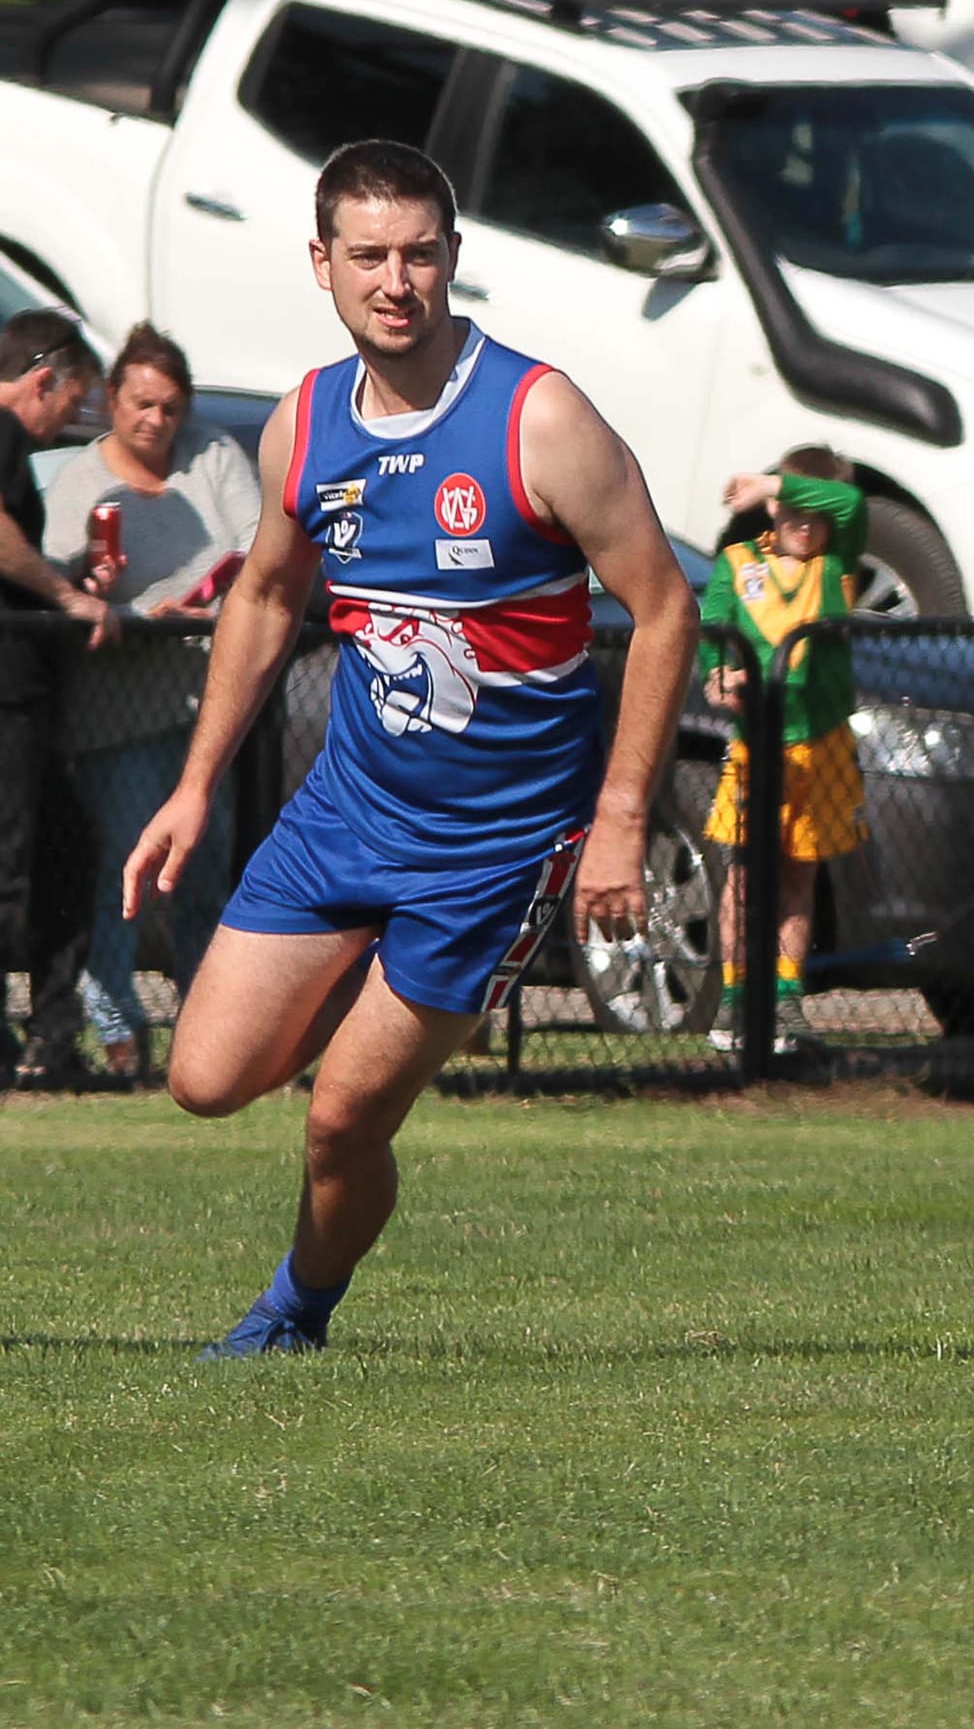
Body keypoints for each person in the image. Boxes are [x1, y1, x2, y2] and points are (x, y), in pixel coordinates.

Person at [124, 138, 700, 1355]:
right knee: (206, 1077)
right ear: (321, 265)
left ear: (453, 259)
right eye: (370, 255)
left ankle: (296, 1307)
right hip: (345, 813)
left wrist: (622, 815)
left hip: (493, 846)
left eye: (421, 253)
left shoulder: (537, 417)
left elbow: (663, 603)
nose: (398, 280)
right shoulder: (303, 423)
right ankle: (374, 1017)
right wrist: (192, 786)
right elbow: (269, 597)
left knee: (340, 1121)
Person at [43, 323, 261, 1080]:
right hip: (121, 715)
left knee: (205, 876)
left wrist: (208, 602)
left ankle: (211, 1029)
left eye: (169, 408)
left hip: (205, 710)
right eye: (140, 404)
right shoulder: (82, 481)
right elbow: (64, 580)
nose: (155, 422)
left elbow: (261, 547)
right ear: (112, 399)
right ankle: (120, 1034)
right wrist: (125, 601)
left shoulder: (212, 455)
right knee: (123, 879)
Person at [698, 445, 867, 1054]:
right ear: (771, 509)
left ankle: (788, 1001)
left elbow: (850, 503)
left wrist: (776, 482)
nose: (803, 522)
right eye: (789, 508)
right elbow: (713, 623)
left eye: (811, 510)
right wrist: (717, 673)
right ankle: (736, 997)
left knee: (800, 875)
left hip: (819, 747)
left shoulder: (835, 566)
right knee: (745, 872)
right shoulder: (738, 560)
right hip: (757, 746)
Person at [0, 309, 113, 1084]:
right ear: (42, 379)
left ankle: (51, 1032)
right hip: (9, 698)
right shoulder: (5, 433)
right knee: (19, 860)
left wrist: (65, 583)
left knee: (65, 847)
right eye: (70, 404)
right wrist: (66, 600)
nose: (68, 421)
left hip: (23, 691)